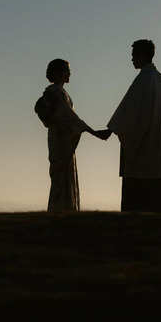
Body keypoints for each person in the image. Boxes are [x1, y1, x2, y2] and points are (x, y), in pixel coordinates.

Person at [97, 39, 161, 212]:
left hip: (142, 147)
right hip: (157, 143)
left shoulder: (144, 79)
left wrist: (111, 129)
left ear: (142, 55)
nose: (131, 59)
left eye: (133, 55)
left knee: (137, 201)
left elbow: (129, 109)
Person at [40, 58, 104, 212]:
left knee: (63, 176)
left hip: (63, 139)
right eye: (66, 70)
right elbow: (70, 117)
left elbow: (69, 118)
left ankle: (63, 208)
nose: (70, 73)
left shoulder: (60, 93)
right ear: (58, 73)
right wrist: (92, 131)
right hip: (61, 140)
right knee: (61, 178)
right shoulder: (55, 92)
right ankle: (60, 209)